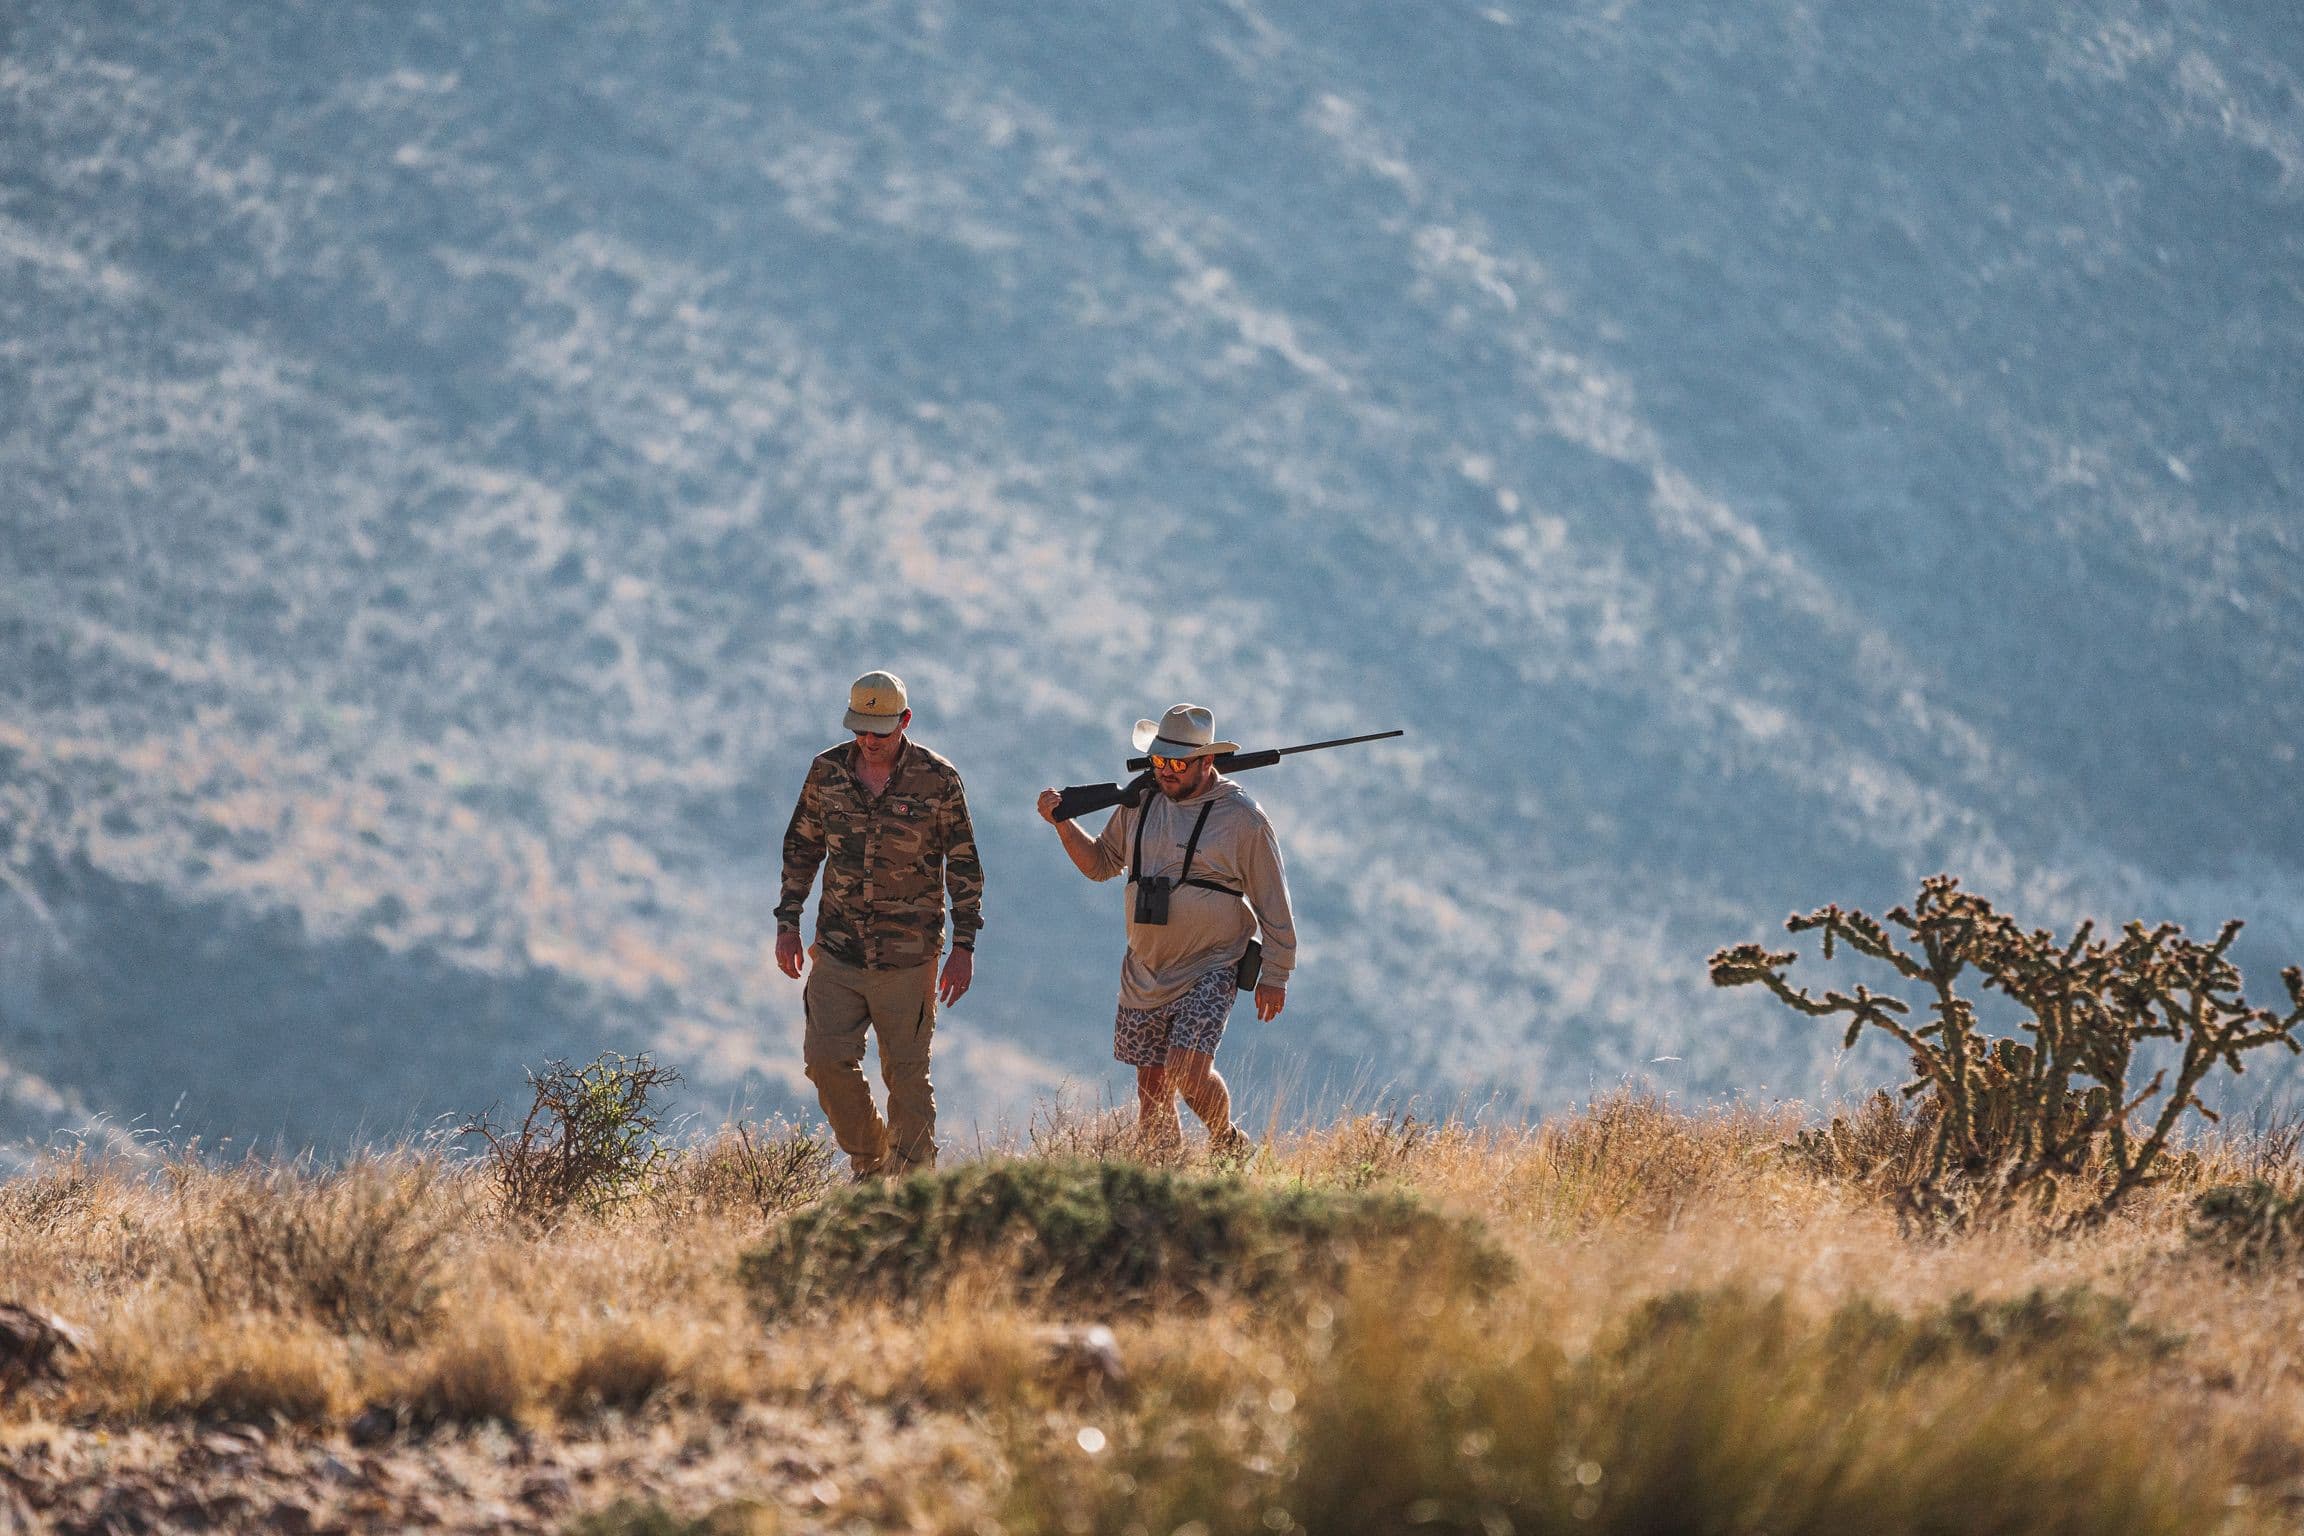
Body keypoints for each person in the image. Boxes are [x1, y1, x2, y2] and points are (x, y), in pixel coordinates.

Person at [1036, 703, 1296, 1155]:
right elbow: (1100, 864)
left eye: (1177, 764)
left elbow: (1273, 902)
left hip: (1211, 965)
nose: (1165, 771)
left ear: (1207, 761)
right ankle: (1161, 1172)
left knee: (1187, 1070)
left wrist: (1276, 973)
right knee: (1151, 1088)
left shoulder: (1243, 819)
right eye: (1159, 761)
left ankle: (1227, 1143)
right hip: (1144, 970)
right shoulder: (1138, 802)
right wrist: (1062, 825)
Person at [776, 670, 983, 1179]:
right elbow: (802, 848)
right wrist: (788, 922)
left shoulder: (938, 780)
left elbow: (963, 865)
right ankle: (871, 1163)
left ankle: (913, 1192)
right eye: (860, 729)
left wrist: (964, 947)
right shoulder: (826, 773)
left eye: (880, 731)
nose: (868, 741)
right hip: (838, 949)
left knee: (907, 1079)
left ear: (905, 721)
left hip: (908, 958)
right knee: (824, 1060)